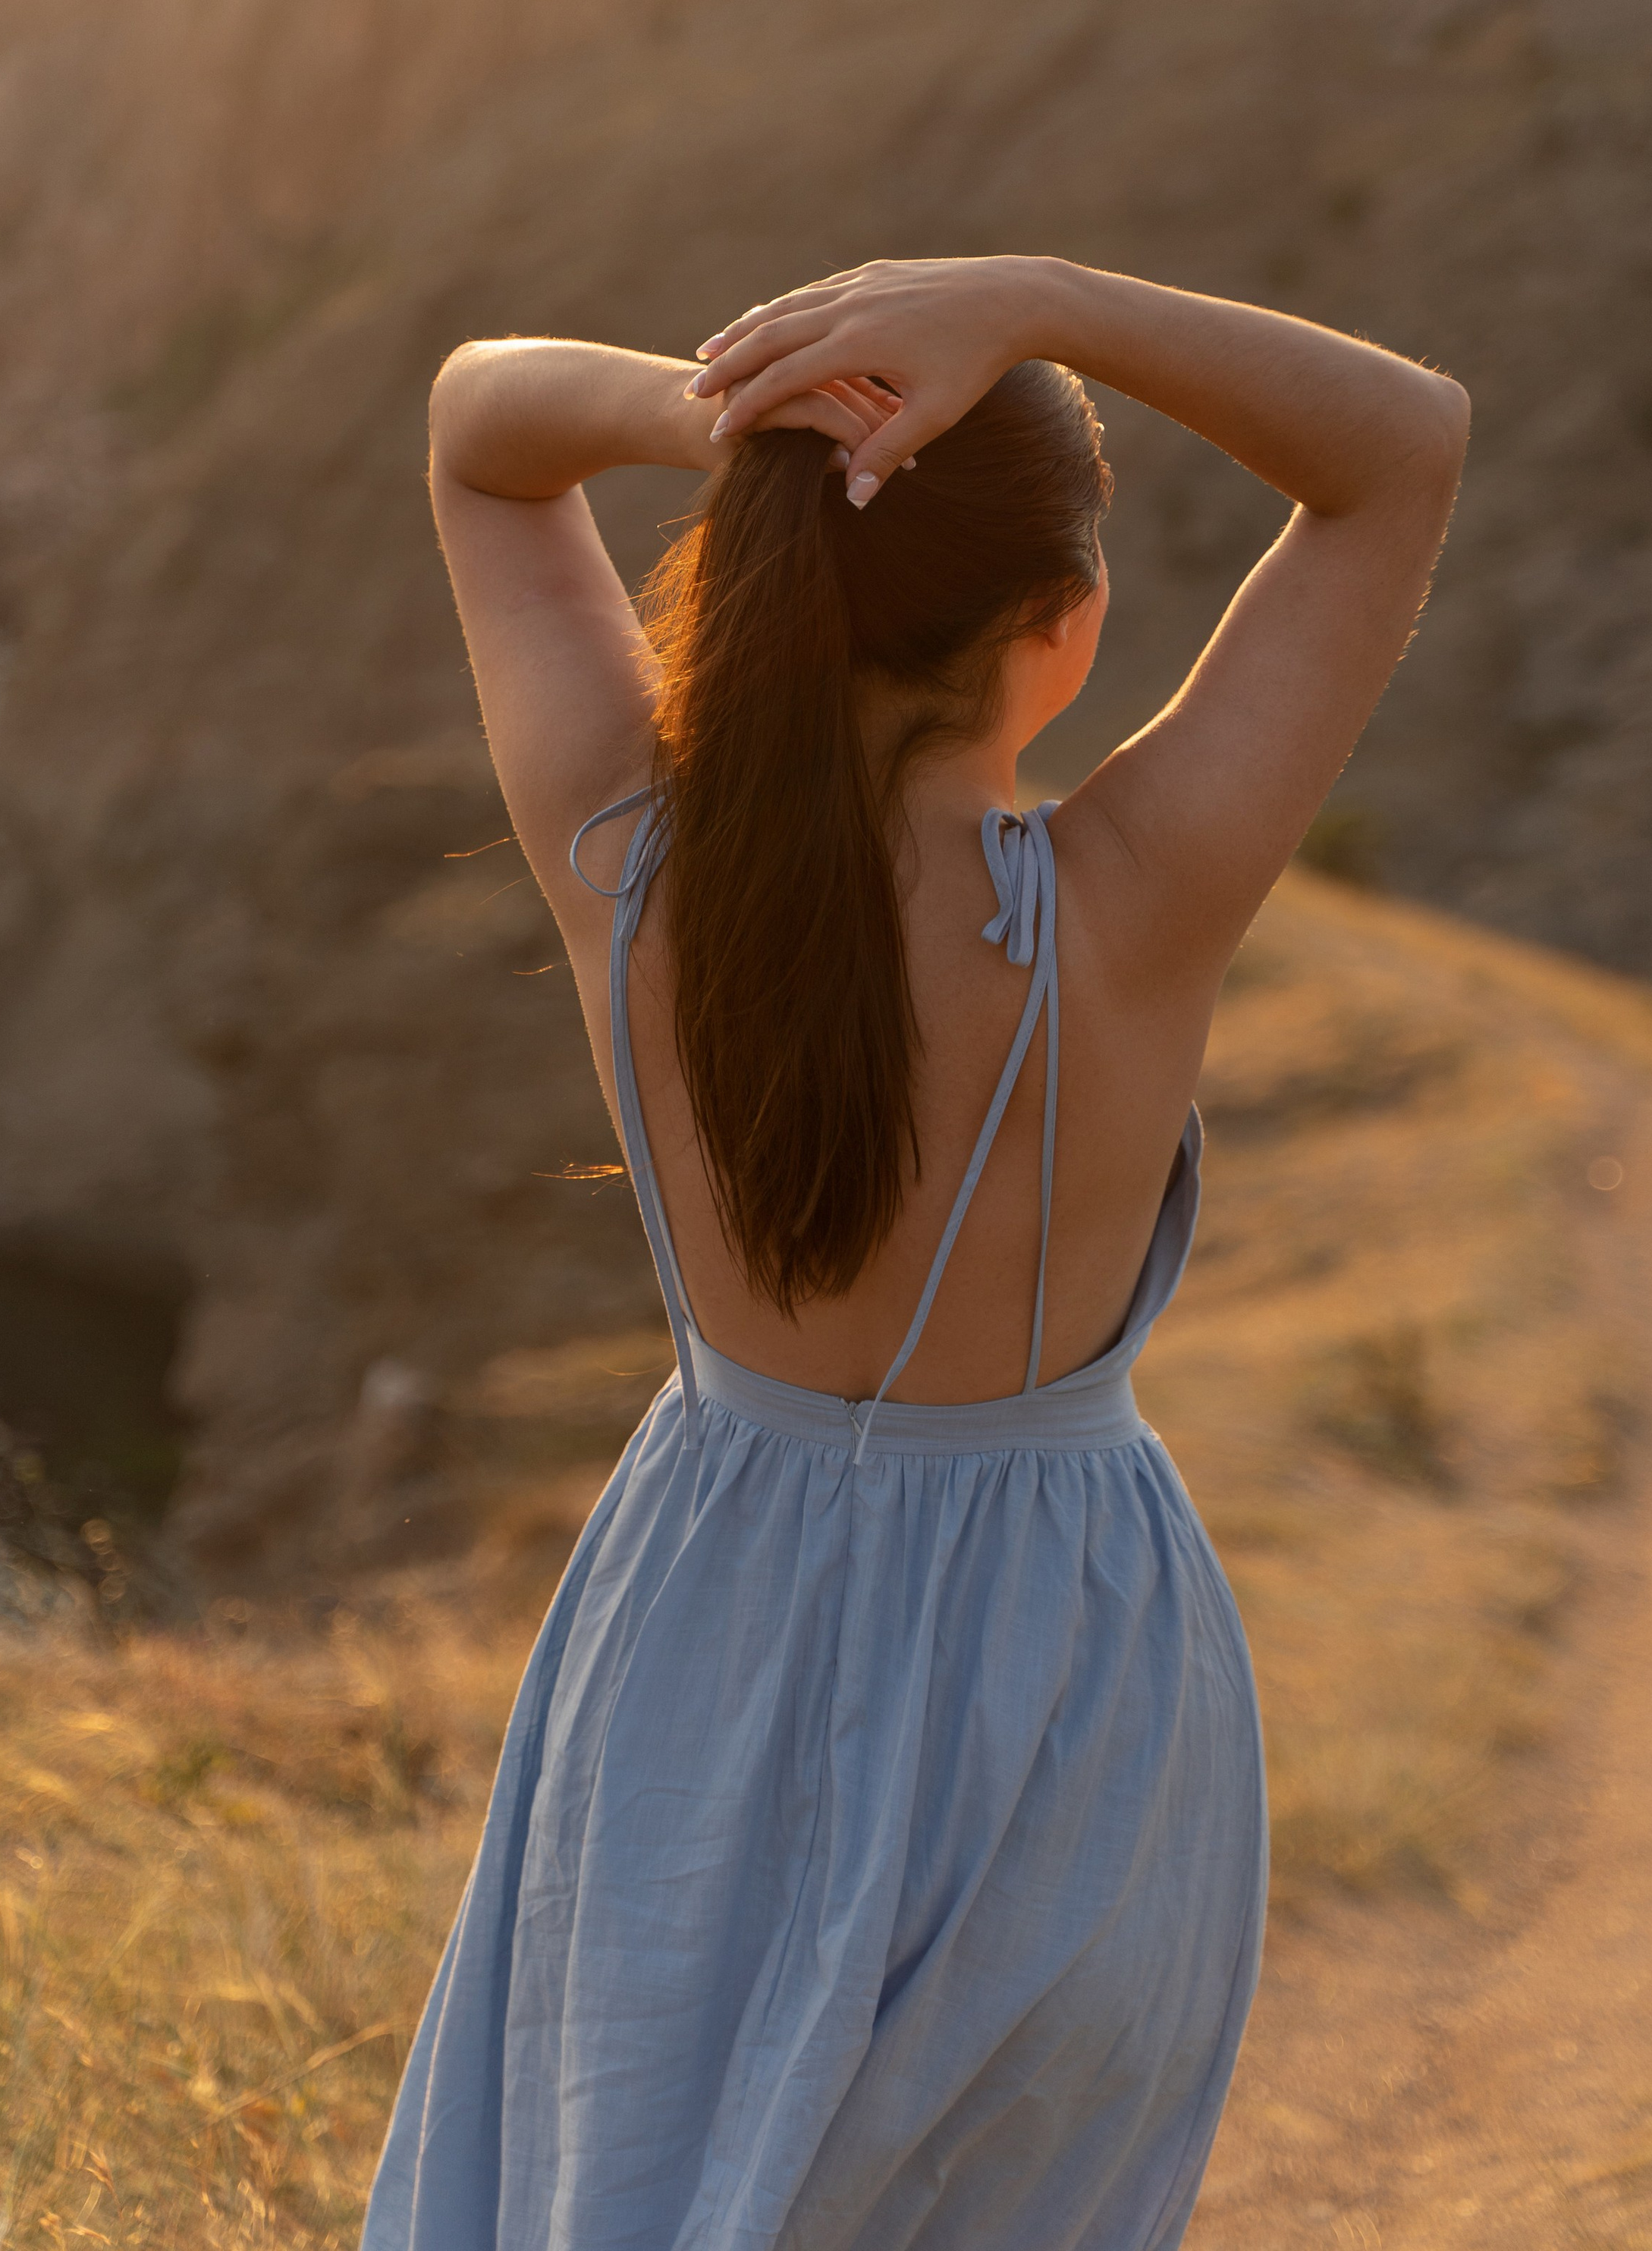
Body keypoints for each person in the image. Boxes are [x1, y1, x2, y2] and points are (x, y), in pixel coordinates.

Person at [361, 253, 1468, 2251]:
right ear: (1065, 626)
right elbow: (1401, 447)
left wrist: (743, 421)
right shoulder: (1135, 897)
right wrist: (1042, 300)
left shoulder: (628, 859)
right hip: (1066, 1666)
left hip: (705, 1630)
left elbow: (478, 434)